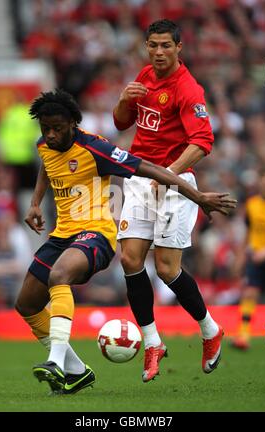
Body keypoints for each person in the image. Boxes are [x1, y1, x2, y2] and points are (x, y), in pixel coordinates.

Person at [15, 89, 236, 395]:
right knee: (26, 303)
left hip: (96, 235)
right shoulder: (44, 145)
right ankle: (77, 371)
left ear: (72, 124)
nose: (50, 135)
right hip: (61, 235)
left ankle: (55, 362)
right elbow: (47, 164)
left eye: (57, 129)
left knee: (59, 276)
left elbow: (150, 169)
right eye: (45, 129)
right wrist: (36, 202)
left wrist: (197, 196)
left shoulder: (96, 148)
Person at [113, 19, 225, 382]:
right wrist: (123, 101)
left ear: (179, 48)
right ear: (146, 46)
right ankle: (152, 343)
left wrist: (170, 174)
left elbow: (203, 141)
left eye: (165, 46)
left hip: (175, 183)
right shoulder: (145, 74)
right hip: (140, 178)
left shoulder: (189, 89)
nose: (158, 53)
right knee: (129, 259)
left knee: (165, 268)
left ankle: (210, 330)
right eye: (153, 45)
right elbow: (120, 123)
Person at [231, 170, 265, 350]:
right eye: (263, 182)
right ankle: (244, 334)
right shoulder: (252, 204)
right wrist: (240, 256)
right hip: (255, 255)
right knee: (250, 292)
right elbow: (249, 232)